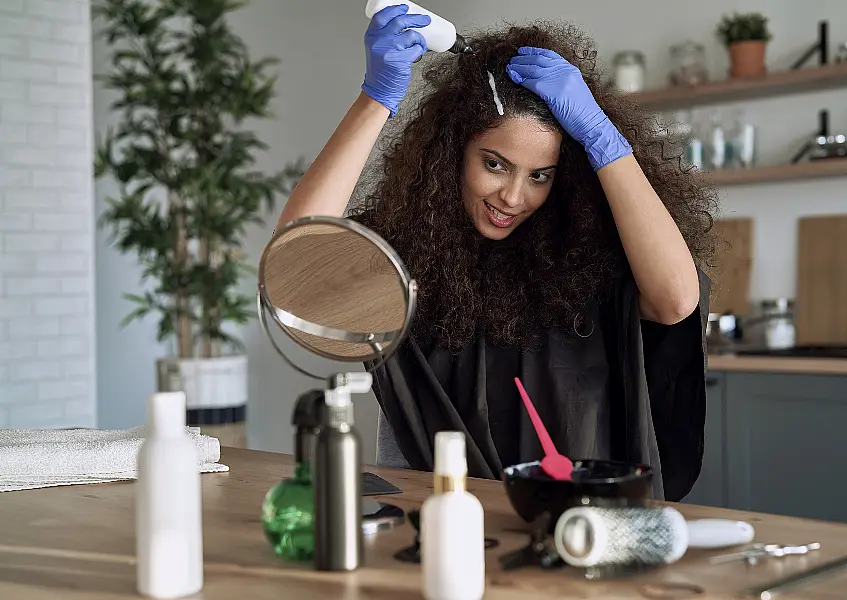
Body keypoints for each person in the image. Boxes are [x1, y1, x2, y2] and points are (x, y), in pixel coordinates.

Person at [275, 6, 717, 501]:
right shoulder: (409, 249)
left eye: (539, 176)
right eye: (494, 164)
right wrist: (376, 99)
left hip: (565, 520)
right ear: (452, 153)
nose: (512, 196)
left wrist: (600, 136)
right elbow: (296, 264)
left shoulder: (588, 259)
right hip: (429, 506)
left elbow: (677, 301)